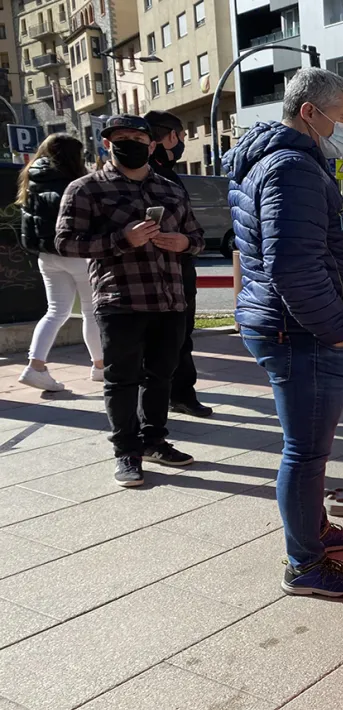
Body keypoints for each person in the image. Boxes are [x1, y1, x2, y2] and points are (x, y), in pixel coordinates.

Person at [225, 67, 343, 598]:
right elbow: (294, 267)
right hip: (303, 332)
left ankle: (313, 531)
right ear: (310, 113)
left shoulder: (276, 160)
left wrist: (341, 239)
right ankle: (304, 564)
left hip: (287, 325)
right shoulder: (293, 167)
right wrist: (340, 331)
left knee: (306, 449)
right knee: (307, 452)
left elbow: (284, 247)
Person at [54, 115, 204, 487]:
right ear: (108, 144)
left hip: (169, 299)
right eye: (121, 138)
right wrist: (123, 239)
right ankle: (126, 451)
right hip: (120, 298)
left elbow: (196, 235)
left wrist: (185, 244)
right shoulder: (86, 189)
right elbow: (66, 242)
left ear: (152, 145)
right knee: (121, 380)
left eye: (138, 137)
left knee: (161, 376)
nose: (131, 143)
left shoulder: (170, 189)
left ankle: (155, 441)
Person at [16, 134, 103, 391]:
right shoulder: (74, 182)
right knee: (91, 311)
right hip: (77, 253)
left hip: (47, 255)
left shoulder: (32, 177)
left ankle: (36, 366)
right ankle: (100, 366)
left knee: (55, 311)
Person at [144, 110, 213, 419]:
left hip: (169, 267)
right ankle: (179, 394)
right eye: (182, 136)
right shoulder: (160, 175)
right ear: (171, 136)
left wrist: (188, 242)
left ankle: (175, 394)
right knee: (177, 336)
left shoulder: (158, 171)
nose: (182, 142)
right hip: (169, 272)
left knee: (174, 337)